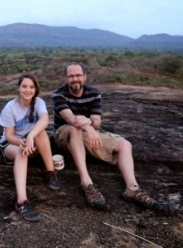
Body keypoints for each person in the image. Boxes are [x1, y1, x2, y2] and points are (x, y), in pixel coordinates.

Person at [52, 62, 163, 210]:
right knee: (74, 129)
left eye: (78, 75)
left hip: (85, 133)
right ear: (66, 79)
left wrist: (90, 127)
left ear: (85, 76)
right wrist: (89, 128)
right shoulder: (58, 94)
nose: (75, 79)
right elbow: (70, 119)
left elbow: (97, 122)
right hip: (63, 134)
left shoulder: (94, 93)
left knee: (125, 145)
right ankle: (87, 183)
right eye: (71, 76)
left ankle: (132, 188)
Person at [0, 74, 60, 222]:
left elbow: (44, 120)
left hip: (31, 142)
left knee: (41, 133)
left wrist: (30, 137)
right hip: (13, 145)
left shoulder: (38, 102)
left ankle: (51, 172)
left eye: (31, 87)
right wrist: (22, 142)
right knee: (21, 152)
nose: (28, 90)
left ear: (36, 89)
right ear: (18, 88)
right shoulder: (10, 107)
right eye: (24, 86)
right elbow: (9, 136)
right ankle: (21, 202)